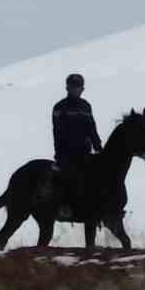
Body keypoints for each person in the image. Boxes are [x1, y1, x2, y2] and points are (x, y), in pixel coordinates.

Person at [52, 73, 102, 202]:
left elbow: (92, 128)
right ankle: (64, 205)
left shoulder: (86, 106)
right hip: (67, 153)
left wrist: (98, 147)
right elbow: (57, 132)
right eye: (73, 86)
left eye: (78, 87)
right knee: (70, 180)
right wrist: (60, 154)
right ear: (67, 88)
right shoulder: (59, 107)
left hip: (84, 151)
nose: (76, 89)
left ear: (82, 89)